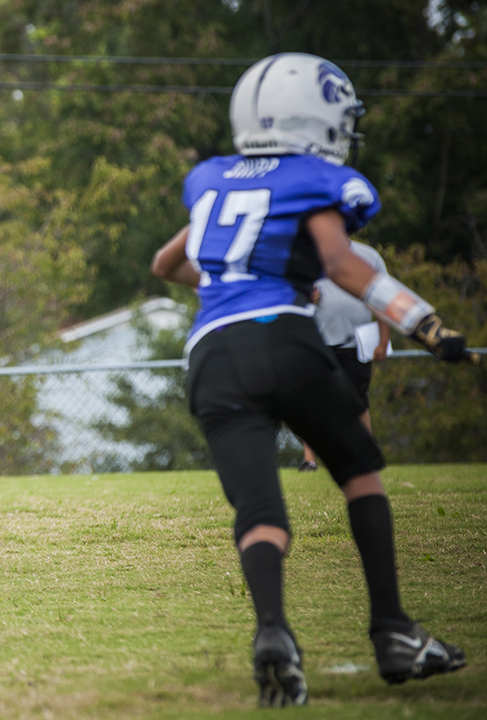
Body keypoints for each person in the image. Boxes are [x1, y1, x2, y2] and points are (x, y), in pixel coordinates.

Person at [150, 53, 471, 707]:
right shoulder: (312, 177)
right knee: (358, 471)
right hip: (285, 338)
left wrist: (227, 290)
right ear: (320, 116)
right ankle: (393, 630)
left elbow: (166, 263)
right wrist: (426, 323)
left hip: (211, 352)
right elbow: (342, 264)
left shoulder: (212, 178)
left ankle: (274, 635)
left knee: (260, 510)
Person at [300, 240, 391, 472]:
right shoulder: (307, 252)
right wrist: (306, 297)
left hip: (355, 342)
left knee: (358, 400)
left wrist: (382, 341)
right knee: (311, 402)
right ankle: (309, 461)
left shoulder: (369, 256)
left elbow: (385, 301)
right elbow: (288, 293)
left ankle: (367, 453)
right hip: (316, 341)